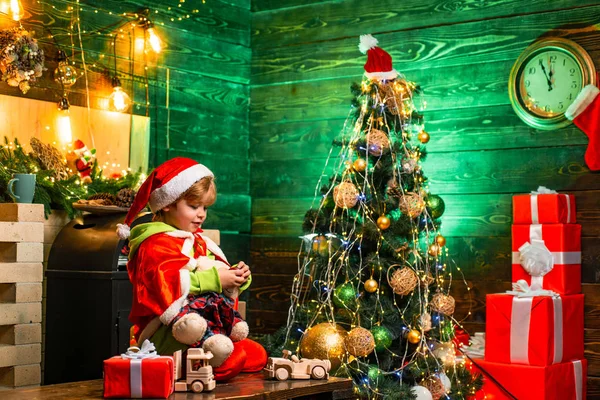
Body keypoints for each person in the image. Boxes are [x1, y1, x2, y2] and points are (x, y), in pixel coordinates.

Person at [116, 157, 267, 381]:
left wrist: (237, 276)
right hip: (168, 330)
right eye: (194, 206)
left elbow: (214, 271)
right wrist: (217, 278)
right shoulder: (154, 243)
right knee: (236, 360)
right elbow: (166, 284)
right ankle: (201, 360)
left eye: (205, 207)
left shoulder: (195, 240)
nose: (202, 214)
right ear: (168, 202)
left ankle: (216, 347)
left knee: (257, 355)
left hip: (205, 318)